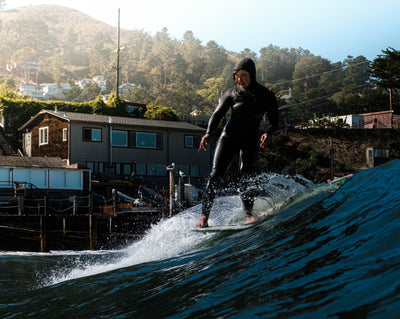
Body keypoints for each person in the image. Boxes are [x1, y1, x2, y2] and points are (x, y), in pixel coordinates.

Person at [196, 57, 279, 228]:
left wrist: (268, 133)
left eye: (243, 75)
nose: (239, 79)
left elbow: (275, 121)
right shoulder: (232, 93)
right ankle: (204, 217)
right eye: (237, 76)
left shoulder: (266, 95)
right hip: (229, 137)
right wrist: (208, 133)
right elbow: (217, 114)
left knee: (245, 176)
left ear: (252, 74)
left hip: (250, 139)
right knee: (215, 175)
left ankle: (249, 214)